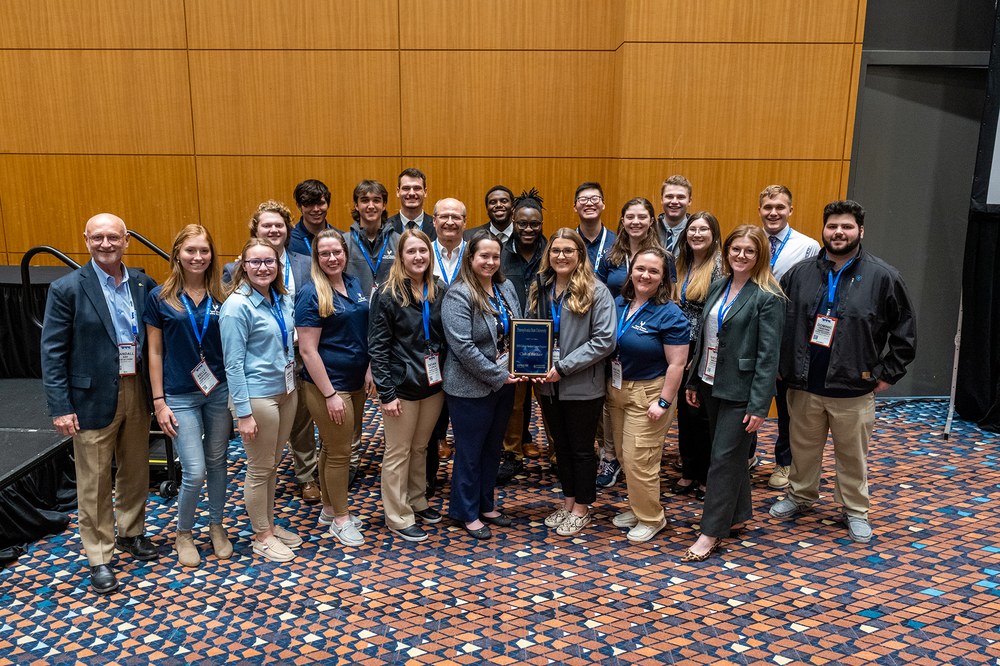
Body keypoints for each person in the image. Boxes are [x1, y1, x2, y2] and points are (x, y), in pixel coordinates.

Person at [770, 200, 916, 543]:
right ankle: (800, 495)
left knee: (852, 456)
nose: (839, 233)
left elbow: (904, 331)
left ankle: (855, 510)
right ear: (824, 230)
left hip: (853, 386)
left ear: (860, 231)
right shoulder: (801, 273)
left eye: (847, 227)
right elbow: (778, 324)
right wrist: (781, 366)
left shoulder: (883, 276)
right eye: (833, 226)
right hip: (804, 383)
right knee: (802, 448)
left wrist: (887, 372)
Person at [41, 213, 158, 595]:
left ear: (126, 240)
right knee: (93, 481)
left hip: (136, 389)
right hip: (90, 397)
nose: (105, 244)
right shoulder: (67, 288)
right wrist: (60, 407)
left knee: (135, 469)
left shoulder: (143, 284)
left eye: (113, 238)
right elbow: (53, 352)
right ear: (86, 239)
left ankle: (132, 531)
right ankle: (99, 556)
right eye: (97, 238)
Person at [682, 225, 785, 561]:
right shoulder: (718, 285)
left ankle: (710, 532)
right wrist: (695, 380)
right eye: (735, 249)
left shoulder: (768, 297)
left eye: (749, 251)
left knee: (722, 460)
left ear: (760, 256)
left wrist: (760, 405)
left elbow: (768, 358)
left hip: (742, 390)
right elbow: (706, 338)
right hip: (711, 383)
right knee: (729, 456)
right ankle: (739, 515)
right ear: (726, 252)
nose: (741, 256)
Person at [145, 224, 231, 567]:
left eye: (204, 251)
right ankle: (184, 532)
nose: (198, 257)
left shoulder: (224, 295)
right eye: (190, 250)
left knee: (219, 463)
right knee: (194, 471)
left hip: (218, 390)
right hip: (179, 394)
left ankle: (216, 525)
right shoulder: (159, 297)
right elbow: (153, 352)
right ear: (177, 254)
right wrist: (158, 402)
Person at [528, 229, 616, 536]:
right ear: (548, 255)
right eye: (555, 250)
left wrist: (562, 367)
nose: (561, 256)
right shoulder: (541, 287)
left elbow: (604, 341)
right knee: (561, 448)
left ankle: (583, 508)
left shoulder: (596, 291)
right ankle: (568, 502)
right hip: (547, 384)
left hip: (581, 385)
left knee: (581, 449)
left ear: (580, 255)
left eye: (568, 250)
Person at [220, 238, 301, 562]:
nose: (263, 267)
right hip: (257, 398)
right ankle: (261, 536)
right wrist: (243, 413)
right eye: (255, 262)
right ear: (243, 266)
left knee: (271, 465)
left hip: (285, 391)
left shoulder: (279, 298)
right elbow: (233, 364)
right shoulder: (236, 306)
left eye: (269, 261)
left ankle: (267, 524)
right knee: (258, 468)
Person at [295, 229, 375, 547]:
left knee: (331, 448)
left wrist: (369, 368)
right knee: (341, 453)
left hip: (355, 381)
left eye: (337, 252)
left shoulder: (353, 283)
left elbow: (363, 331)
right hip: (327, 386)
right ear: (317, 258)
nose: (332, 258)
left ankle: (329, 509)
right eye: (324, 253)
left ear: (345, 253)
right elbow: (307, 350)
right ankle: (341, 520)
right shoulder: (311, 292)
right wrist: (329, 394)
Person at [442, 231, 523, 539]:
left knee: (493, 448)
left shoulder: (506, 287)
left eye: (494, 256)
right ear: (471, 259)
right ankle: (465, 511)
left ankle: (486, 503)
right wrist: (497, 374)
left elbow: (518, 327)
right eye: (483, 256)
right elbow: (462, 347)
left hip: (504, 383)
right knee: (470, 450)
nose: (490, 262)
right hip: (469, 387)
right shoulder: (459, 294)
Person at [368, 229, 448, 542]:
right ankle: (397, 515)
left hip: (432, 385)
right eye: (411, 251)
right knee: (398, 452)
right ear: (401, 256)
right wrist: (386, 393)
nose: (418, 257)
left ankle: (417, 501)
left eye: (423, 251)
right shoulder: (387, 294)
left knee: (421, 447)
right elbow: (378, 347)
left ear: (430, 255)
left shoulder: (438, 289)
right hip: (400, 388)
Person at [606, 248, 689, 542]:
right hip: (618, 390)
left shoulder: (670, 314)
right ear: (631, 271)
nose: (645, 275)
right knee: (626, 457)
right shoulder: (619, 303)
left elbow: (677, 364)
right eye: (640, 268)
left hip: (650, 393)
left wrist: (664, 401)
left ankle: (652, 518)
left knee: (641, 459)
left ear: (663, 277)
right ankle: (638, 506)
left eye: (654, 271)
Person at [595, 197, 667, 488]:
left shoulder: (662, 255)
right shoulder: (611, 255)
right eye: (629, 217)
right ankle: (610, 456)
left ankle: (635, 461)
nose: (635, 222)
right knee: (610, 401)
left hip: (644, 334)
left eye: (642, 216)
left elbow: (667, 295)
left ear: (652, 220)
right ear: (622, 221)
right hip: (611, 335)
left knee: (636, 402)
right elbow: (597, 292)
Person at [755, 185, 820, 489]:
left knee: (786, 407)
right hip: (751, 334)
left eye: (780, 207)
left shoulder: (808, 247)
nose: (773, 212)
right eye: (768, 207)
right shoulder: (750, 242)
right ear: (760, 210)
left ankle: (785, 463)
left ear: (790, 210)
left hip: (787, 337)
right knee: (747, 400)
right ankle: (746, 455)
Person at [671, 212, 723, 499]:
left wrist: (699, 355)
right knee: (684, 413)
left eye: (704, 229)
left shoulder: (719, 267)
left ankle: (704, 476)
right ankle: (688, 471)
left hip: (701, 348)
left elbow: (712, 316)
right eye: (692, 229)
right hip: (677, 346)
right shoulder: (680, 263)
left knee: (700, 414)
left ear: (714, 235)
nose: (697, 234)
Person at [497, 189, 547, 482]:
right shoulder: (500, 254)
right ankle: (512, 454)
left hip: (546, 341)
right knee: (513, 403)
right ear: (513, 221)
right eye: (522, 223)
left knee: (549, 399)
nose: (528, 229)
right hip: (511, 341)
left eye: (535, 224)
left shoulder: (552, 251)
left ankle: (557, 454)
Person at [427, 198, 468, 473]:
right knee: (428, 416)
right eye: (444, 216)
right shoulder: (422, 252)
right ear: (434, 221)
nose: (450, 222)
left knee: (467, 417)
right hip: (430, 344)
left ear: (465, 222)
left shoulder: (475, 253)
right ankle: (428, 474)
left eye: (456, 217)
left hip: (467, 344)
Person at [346, 180, 399, 298]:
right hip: (356, 311)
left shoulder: (399, 242)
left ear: (384, 205)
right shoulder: (343, 242)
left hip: (391, 312)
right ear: (356, 205)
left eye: (376, 200)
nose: (371, 206)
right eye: (365, 200)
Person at [572, 182, 616, 268]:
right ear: (575, 207)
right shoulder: (568, 241)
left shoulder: (616, 242)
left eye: (595, 198)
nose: (589, 203)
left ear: (603, 205)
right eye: (583, 199)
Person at [388, 168, 436, 240]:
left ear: (425, 192)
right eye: (406, 188)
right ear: (398, 192)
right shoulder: (385, 227)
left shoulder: (437, 226)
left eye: (417, 188)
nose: (411, 193)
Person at [288, 179, 332, 257]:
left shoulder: (341, 238)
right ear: (299, 206)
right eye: (309, 204)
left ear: (328, 204)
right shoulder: (288, 240)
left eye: (320, 203)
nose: (316, 209)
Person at [656, 175, 692, 257]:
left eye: (680, 197)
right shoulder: (650, 230)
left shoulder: (697, 233)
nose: (674, 201)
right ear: (662, 200)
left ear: (689, 201)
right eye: (669, 196)